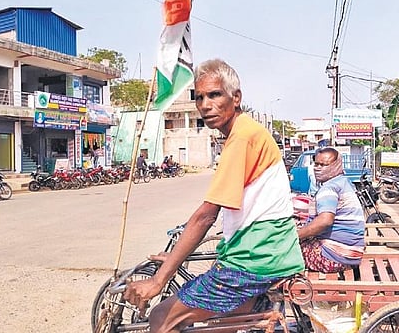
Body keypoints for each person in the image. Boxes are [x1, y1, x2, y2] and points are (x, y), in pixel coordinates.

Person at [124, 58, 304, 332]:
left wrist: (158, 280)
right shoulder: (246, 132)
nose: (206, 105)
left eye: (215, 95)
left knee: (162, 316)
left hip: (253, 261)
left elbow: (206, 216)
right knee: (220, 323)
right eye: (199, 97)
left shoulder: (241, 138)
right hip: (269, 254)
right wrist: (175, 256)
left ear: (236, 97)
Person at [298, 147, 365, 273]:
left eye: (323, 165)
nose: (317, 168)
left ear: (336, 165)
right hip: (350, 255)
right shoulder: (343, 182)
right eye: (316, 164)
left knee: (283, 249)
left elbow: (325, 221)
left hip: (335, 258)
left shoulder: (330, 188)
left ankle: (272, 285)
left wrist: (295, 237)